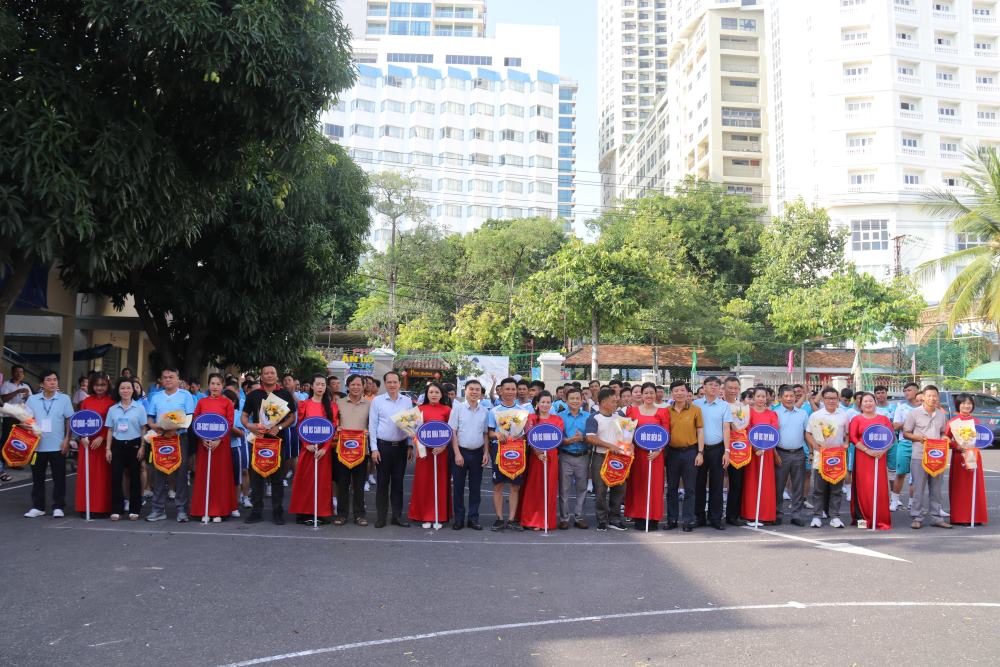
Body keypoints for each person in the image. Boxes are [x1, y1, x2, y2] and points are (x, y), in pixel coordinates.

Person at [241, 365, 298, 525]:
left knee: (277, 479)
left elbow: (292, 417)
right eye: (266, 373)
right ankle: (256, 511)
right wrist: (250, 426)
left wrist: (279, 427)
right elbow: (244, 417)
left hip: (277, 441)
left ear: (276, 375)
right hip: (258, 441)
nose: (269, 375)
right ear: (261, 376)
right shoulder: (254, 394)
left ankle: (278, 512)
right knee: (256, 477)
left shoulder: (284, 394)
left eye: (272, 372)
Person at [145, 367, 196, 522]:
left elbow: (189, 418)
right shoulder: (155, 396)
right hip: (160, 439)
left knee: (181, 474)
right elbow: (150, 419)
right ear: (161, 379)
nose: (167, 379)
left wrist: (174, 430)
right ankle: (158, 509)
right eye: (165, 377)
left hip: (179, 438)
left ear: (178, 379)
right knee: (158, 473)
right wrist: (156, 428)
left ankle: (181, 510)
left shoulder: (185, 395)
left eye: (171, 377)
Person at [23, 370, 74, 518]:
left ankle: (58, 506)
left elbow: (70, 420)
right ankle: (38, 506)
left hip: (58, 445)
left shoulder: (64, 399)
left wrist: (67, 440)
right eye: (49, 380)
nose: (53, 382)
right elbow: (25, 419)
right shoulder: (32, 400)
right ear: (41, 384)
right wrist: (25, 425)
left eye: (55, 380)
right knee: (37, 477)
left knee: (59, 477)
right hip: (37, 446)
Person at [288, 374, 337, 526]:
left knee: (322, 483)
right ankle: (305, 512)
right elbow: (299, 427)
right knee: (306, 481)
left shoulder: (332, 407)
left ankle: (321, 513)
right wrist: (305, 444)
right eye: (318, 384)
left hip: (323, 452)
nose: (321, 387)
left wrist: (325, 448)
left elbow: (333, 430)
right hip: (307, 450)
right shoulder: (304, 405)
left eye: (323, 384)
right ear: (312, 386)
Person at [902, 385, 952, 530]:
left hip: (937, 457)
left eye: (934, 395)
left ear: (938, 397)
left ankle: (936, 517)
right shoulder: (914, 413)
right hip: (919, 456)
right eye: (929, 395)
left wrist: (944, 438)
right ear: (923, 396)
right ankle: (917, 517)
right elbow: (906, 433)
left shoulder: (941, 414)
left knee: (936, 489)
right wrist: (919, 438)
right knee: (918, 488)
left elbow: (943, 432)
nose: (932, 398)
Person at [368, 370, 414, 528]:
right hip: (383, 447)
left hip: (401, 448)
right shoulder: (377, 401)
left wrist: (409, 444)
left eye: (395, 382)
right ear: (385, 384)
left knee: (398, 483)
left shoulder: (407, 402)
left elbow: (410, 425)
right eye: (389, 382)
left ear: (400, 383)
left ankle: (397, 516)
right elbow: (372, 426)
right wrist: (374, 449)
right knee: (382, 483)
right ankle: (381, 517)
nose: (392, 385)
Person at [189, 373, 237, 522]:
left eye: (218, 384)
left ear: (222, 386)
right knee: (204, 476)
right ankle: (203, 509)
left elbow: (229, 423)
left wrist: (219, 439)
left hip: (221, 446)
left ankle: (219, 511)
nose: (215, 387)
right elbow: (196, 421)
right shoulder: (202, 402)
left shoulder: (227, 403)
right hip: (204, 445)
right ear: (208, 385)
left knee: (220, 477)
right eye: (212, 384)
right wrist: (202, 438)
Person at [624, 382, 670, 531]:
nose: (649, 395)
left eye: (652, 393)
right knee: (638, 485)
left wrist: (659, 450)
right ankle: (639, 516)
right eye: (646, 393)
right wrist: (629, 446)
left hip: (656, 455)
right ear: (641, 395)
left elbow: (666, 433)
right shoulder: (633, 411)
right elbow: (627, 433)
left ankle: (653, 517)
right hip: (638, 455)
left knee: (655, 486)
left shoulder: (662, 412)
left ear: (656, 394)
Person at [488, 377, 531, 531]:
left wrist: (523, 434)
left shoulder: (523, 412)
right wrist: (497, 435)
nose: (511, 392)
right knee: (498, 485)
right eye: (507, 389)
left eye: (513, 389)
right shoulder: (494, 411)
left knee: (515, 486)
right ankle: (499, 518)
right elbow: (489, 432)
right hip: (499, 451)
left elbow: (527, 433)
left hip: (517, 451)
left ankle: (512, 519)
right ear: (501, 390)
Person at [408, 382, 452, 529]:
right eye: (431, 392)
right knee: (424, 484)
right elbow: (413, 431)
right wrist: (420, 447)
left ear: (441, 395)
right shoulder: (418, 410)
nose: (434, 394)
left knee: (440, 483)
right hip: (424, 454)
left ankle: (439, 515)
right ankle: (425, 516)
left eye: (437, 392)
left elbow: (451, 431)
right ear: (427, 394)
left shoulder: (447, 410)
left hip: (441, 453)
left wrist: (443, 446)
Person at [585, 387, 630, 531]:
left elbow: (627, 437)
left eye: (616, 400)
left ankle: (615, 518)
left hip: (619, 458)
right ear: (603, 402)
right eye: (613, 401)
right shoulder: (594, 418)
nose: (616, 402)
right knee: (600, 490)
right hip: (600, 457)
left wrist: (629, 446)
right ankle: (602, 520)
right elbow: (590, 437)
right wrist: (610, 446)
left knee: (619, 488)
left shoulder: (620, 418)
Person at [805, 387, 850, 528]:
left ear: (838, 400)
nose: (831, 401)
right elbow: (808, 434)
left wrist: (846, 443)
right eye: (828, 398)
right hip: (821, 457)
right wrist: (816, 447)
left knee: (836, 489)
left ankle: (834, 516)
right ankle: (817, 515)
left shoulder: (843, 415)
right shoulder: (816, 416)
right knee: (819, 489)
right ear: (823, 400)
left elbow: (846, 434)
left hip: (837, 457)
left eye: (834, 398)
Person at [448, 379, 490, 531]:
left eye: (477, 389)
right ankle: (458, 519)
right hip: (460, 452)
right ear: (465, 391)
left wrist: (486, 452)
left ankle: (473, 518)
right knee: (458, 488)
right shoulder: (457, 409)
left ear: (481, 393)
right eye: (471, 389)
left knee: (475, 488)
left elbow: (485, 433)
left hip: (478, 453)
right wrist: (457, 454)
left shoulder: (485, 411)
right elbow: (452, 432)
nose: (474, 392)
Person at [849, 392, 893, 530]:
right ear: (860, 405)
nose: (868, 403)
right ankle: (862, 519)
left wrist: (882, 451)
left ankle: (880, 519)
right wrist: (867, 451)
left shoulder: (884, 419)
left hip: (879, 457)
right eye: (865, 401)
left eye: (871, 401)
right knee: (863, 487)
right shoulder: (856, 419)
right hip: (863, 456)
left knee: (879, 487)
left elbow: (891, 438)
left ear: (875, 403)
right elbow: (853, 438)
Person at [692, 376, 732, 530]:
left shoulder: (724, 406)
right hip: (699, 450)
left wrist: (726, 451)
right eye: (710, 385)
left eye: (717, 385)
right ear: (704, 387)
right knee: (698, 484)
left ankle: (715, 518)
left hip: (718, 449)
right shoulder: (695, 405)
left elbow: (726, 428)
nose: (714, 387)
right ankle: (698, 516)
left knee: (717, 484)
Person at [664, 380, 704, 531]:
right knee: (672, 488)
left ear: (687, 393)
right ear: (672, 393)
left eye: (682, 390)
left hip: (690, 452)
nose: (679, 393)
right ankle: (672, 519)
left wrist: (700, 452)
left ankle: (688, 520)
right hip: (672, 453)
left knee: (690, 489)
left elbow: (700, 431)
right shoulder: (667, 411)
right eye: (676, 391)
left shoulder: (695, 410)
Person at [105, 377, 146, 521]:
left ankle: (135, 509)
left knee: (135, 477)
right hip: (117, 445)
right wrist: (108, 449)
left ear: (133, 390)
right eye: (122, 388)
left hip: (134, 444)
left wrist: (142, 446)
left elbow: (143, 429)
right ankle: (117, 509)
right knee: (116, 477)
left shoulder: (139, 408)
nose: (126, 390)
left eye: (129, 387)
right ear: (118, 390)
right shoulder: (112, 409)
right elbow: (110, 430)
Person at [520, 391, 562, 531]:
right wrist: (537, 453)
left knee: (549, 489)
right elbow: (529, 438)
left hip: (551, 458)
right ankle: (531, 520)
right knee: (534, 488)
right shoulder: (530, 418)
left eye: (548, 402)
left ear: (551, 404)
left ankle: (545, 521)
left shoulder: (557, 420)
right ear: (537, 404)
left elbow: (557, 438)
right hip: (535, 458)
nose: (545, 405)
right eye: (542, 402)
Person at [944, 394, 988, 526]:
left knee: (974, 485)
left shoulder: (976, 421)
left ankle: (976, 516)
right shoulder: (952, 422)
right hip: (959, 457)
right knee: (960, 486)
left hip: (973, 456)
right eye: (963, 403)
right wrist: (957, 446)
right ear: (958, 405)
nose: (966, 406)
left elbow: (982, 438)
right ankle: (961, 517)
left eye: (969, 403)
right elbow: (946, 439)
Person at [76, 371, 115, 516]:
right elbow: (78, 421)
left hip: (103, 445)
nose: (100, 388)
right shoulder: (86, 401)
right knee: (85, 476)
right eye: (97, 385)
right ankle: (84, 507)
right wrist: (81, 437)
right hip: (86, 443)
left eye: (103, 385)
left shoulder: (112, 403)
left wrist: (103, 437)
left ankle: (101, 508)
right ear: (92, 386)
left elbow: (112, 423)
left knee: (102, 477)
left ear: (107, 386)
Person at [335, 374, 371, 526]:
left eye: (359, 385)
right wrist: (336, 428)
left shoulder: (370, 405)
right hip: (342, 450)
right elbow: (333, 421)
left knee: (359, 484)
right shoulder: (338, 403)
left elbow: (373, 425)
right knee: (342, 484)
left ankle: (359, 515)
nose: (356, 387)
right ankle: (342, 514)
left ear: (364, 387)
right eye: (353, 384)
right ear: (348, 386)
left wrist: (368, 431)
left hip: (362, 450)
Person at [742, 387, 781, 526]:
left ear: (767, 398)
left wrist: (765, 447)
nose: (761, 399)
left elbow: (774, 432)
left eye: (763, 396)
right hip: (752, 452)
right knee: (751, 483)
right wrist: (755, 447)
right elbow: (746, 431)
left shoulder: (772, 414)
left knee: (766, 483)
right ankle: (750, 514)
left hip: (767, 452)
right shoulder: (748, 413)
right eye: (758, 396)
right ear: (753, 398)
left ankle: (766, 514)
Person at [773, 386, 809, 527]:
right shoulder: (774, 413)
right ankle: (777, 514)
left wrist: (811, 452)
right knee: (778, 486)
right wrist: (775, 454)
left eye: (792, 396)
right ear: (780, 398)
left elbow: (807, 434)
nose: (789, 399)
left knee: (798, 486)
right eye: (786, 396)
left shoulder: (802, 414)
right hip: (780, 453)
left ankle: (797, 514)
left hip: (799, 453)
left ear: (796, 397)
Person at [558, 387, 591, 530]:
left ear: (582, 399)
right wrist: (568, 440)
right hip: (565, 455)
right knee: (564, 489)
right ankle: (564, 518)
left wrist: (582, 438)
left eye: (578, 398)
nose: (575, 401)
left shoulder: (588, 416)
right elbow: (557, 438)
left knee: (582, 488)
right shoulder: (560, 416)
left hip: (583, 456)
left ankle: (579, 517)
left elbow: (593, 437)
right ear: (566, 400)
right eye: (572, 398)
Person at [724, 378, 750, 527]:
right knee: (715, 483)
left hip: (738, 449)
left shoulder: (743, 408)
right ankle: (712, 515)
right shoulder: (720, 405)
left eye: (736, 388)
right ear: (724, 388)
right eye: (730, 388)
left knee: (736, 483)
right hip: (718, 447)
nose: (733, 390)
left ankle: (733, 515)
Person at [891, 382, 921, 512]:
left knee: (916, 475)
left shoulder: (923, 408)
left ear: (916, 391)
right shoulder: (901, 407)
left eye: (909, 390)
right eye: (905, 391)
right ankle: (894, 500)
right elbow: (895, 426)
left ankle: (912, 502)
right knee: (900, 473)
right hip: (904, 442)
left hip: (920, 443)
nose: (906, 393)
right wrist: (910, 423)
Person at [1, 364, 32, 483]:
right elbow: (2, 399)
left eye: (21, 372)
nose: (19, 374)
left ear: (24, 374)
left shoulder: (27, 386)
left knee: (19, 441)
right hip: (9, 416)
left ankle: (14, 463)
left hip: (22, 418)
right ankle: (2, 464)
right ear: (12, 373)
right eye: (17, 372)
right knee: (5, 440)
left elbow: (31, 402)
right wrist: (17, 391)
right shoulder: (6, 385)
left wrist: (27, 396)